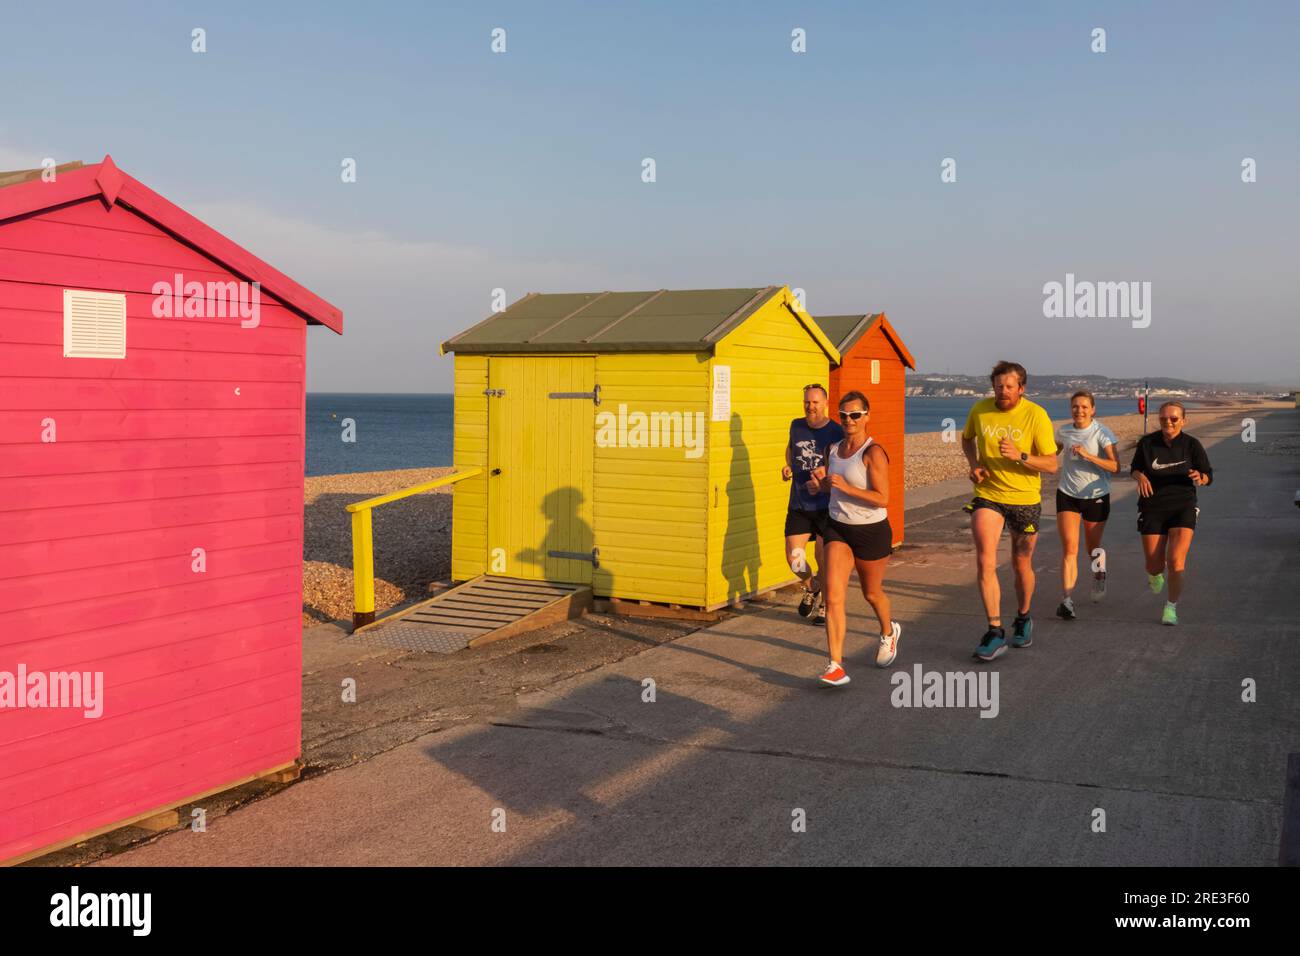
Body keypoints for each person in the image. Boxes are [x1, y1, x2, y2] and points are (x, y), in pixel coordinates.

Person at [961, 361, 1058, 661]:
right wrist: (974, 465)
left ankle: (1024, 616)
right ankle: (994, 630)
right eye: (998, 386)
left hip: (1025, 500)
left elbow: (1052, 464)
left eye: (1009, 386)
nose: (1003, 391)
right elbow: (967, 440)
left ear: (1021, 388)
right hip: (989, 495)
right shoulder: (980, 409)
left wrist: (1021, 455)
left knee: (1021, 563)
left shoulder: (1036, 415)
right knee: (985, 561)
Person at [810, 391, 900, 685]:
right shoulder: (833, 449)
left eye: (855, 415)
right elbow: (831, 488)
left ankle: (888, 631)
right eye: (844, 415)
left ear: (866, 416)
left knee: (871, 593)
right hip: (838, 527)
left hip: (871, 531)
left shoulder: (873, 453)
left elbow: (882, 498)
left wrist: (846, 487)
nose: (849, 420)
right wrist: (820, 487)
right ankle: (835, 664)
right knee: (833, 596)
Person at [1129, 401, 1213, 625]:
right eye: (1164, 418)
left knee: (1176, 562)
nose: (1168, 422)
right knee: (1154, 565)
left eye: (1174, 419)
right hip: (1152, 506)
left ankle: (1171, 607)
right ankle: (1155, 573)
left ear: (1183, 420)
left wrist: (1200, 477)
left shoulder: (1192, 445)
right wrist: (1140, 476)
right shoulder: (1148, 443)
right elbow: (1134, 468)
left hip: (1182, 506)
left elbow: (1208, 475)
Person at [1054, 390, 1120, 620]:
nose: (1079, 410)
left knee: (1092, 547)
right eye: (1075, 406)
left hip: (1096, 495)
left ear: (1093, 409)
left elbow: (1115, 467)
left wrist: (1088, 456)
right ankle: (1067, 601)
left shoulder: (1102, 432)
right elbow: (1049, 454)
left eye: (1084, 407)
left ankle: (1099, 573)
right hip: (1067, 494)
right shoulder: (1063, 431)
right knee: (1069, 549)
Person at [782, 384, 843, 627]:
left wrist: (826, 475)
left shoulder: (836, 431)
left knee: (823, 557)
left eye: (815, 402)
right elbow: (791, 450)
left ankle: (826, 605)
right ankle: (812, 586)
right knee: (794, 559)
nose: (810, 406)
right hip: (799, 501)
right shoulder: (796, 425)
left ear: (825, 403)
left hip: (826, 505)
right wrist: (788, 466)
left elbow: (843, 463)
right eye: (807, 402)